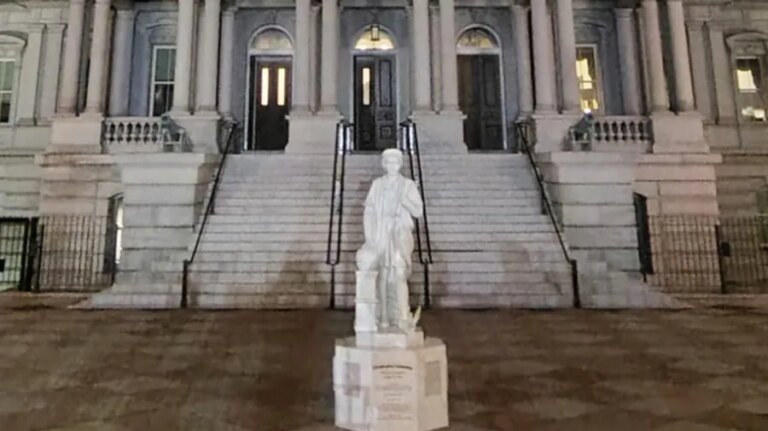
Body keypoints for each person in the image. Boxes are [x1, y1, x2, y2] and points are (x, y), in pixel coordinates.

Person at [356, 149, 423, 331]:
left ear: (400, 164)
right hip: (382, 233)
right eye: (388, 162)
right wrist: (370, 236)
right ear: (384, 164)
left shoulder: (407, 185)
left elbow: (418, 211)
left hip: (399, 233)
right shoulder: (378, 184)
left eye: (395, 162)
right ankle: (383, 316)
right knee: (383, 275)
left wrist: (404, 202)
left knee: (399, 274)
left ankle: (402, 315)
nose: (391, 166)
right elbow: (369, 209)